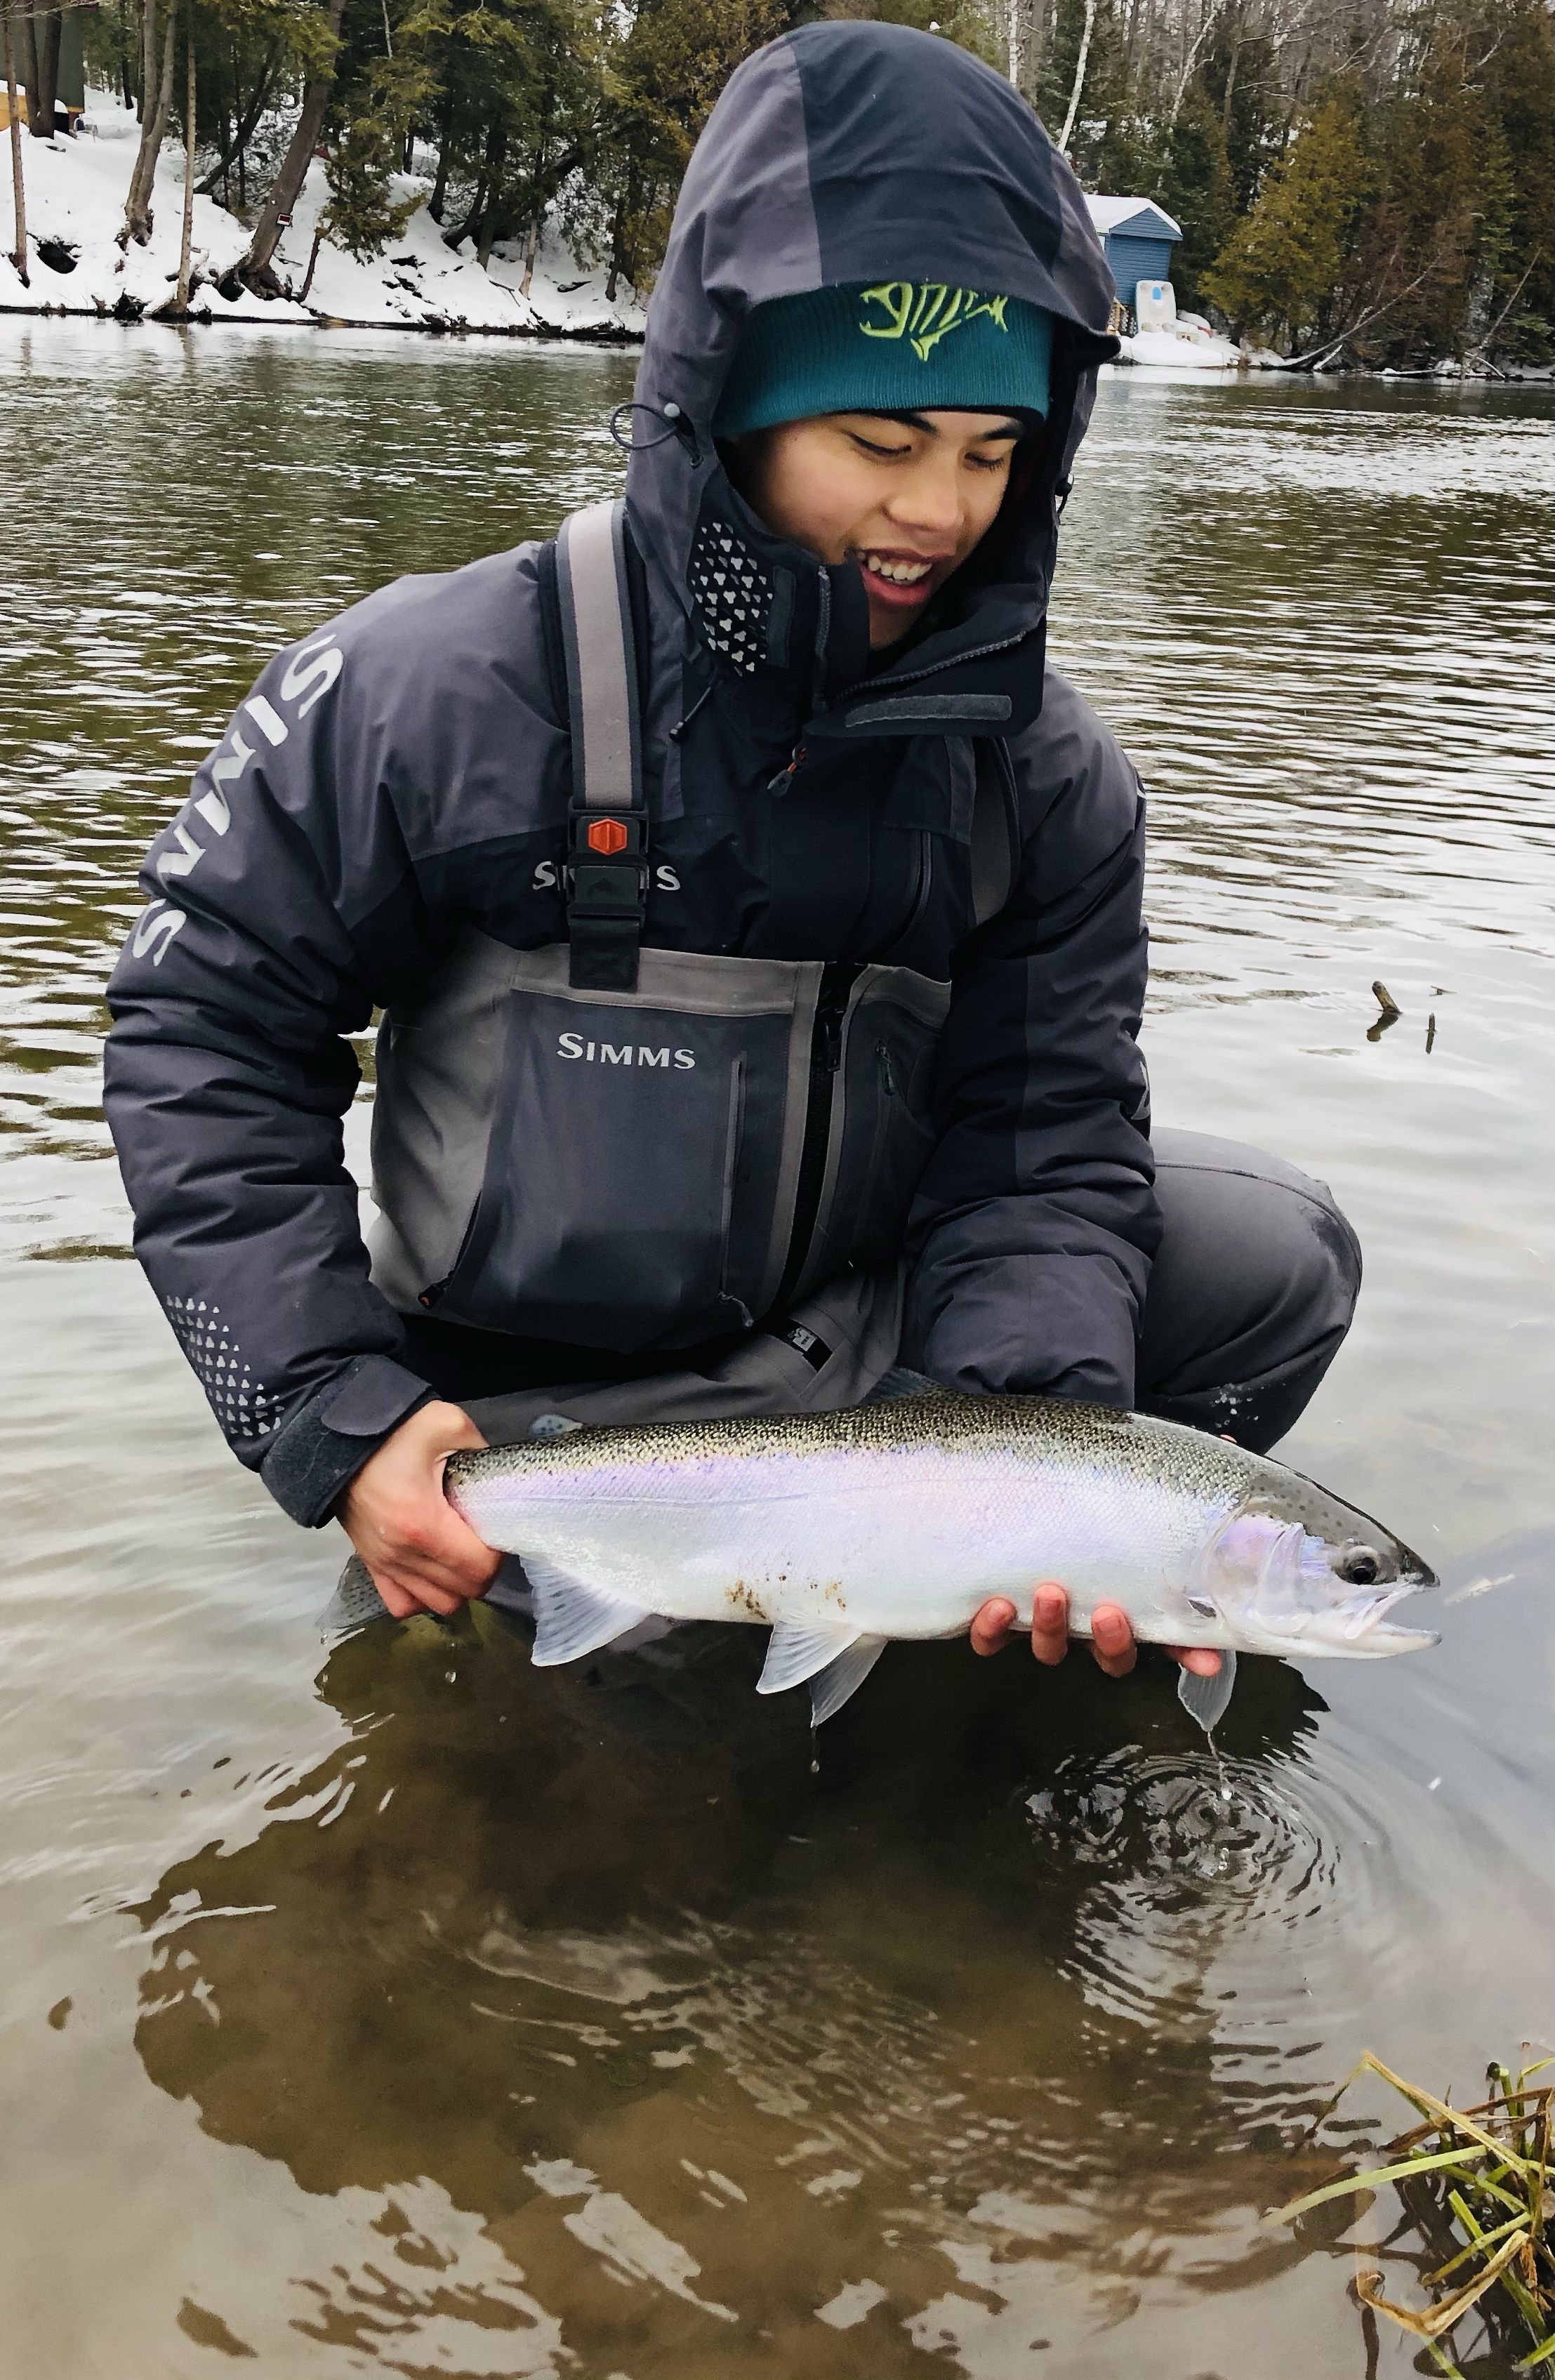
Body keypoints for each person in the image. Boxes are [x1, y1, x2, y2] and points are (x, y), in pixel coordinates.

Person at [104, 22, 1360, 1693]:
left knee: (1271, 1257)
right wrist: (339, 1417)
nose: (939, 510)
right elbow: (198, 1035)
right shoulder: (433, 689)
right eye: (882, 442)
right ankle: (529, 1600)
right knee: (612, 1817)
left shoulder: (1047, 776)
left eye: (992, 454)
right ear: (732, 409)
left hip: (858, 1354)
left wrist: (1040, 1459)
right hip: (531, 1411)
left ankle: (950, 1628)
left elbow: (1040, 1142)